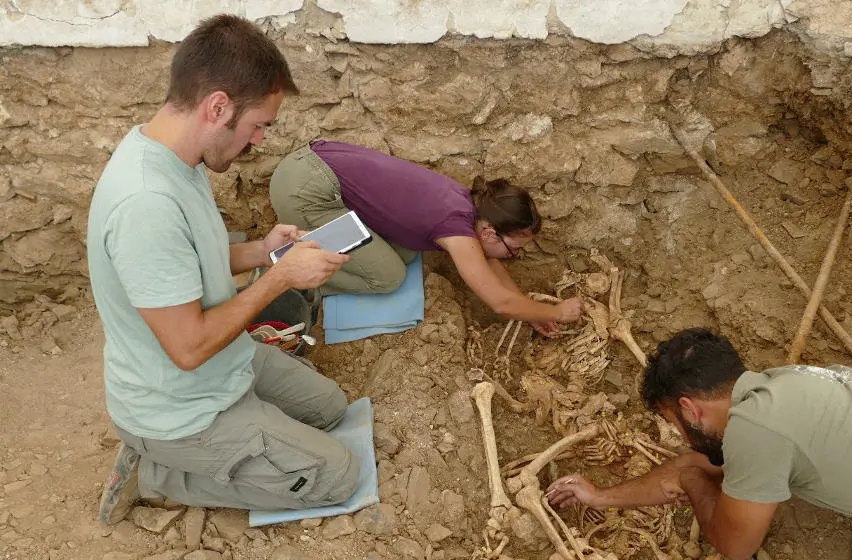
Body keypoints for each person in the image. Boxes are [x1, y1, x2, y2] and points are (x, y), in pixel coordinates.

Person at [88, 14, 362, 526]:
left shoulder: (180, 159)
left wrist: (263, 252)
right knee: (338, 475)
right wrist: (281, 278)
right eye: (259, 125)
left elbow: (187, 262)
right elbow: (189, 347)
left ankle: (248, 437)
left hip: (224, 362)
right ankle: (157, 474)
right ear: (218, 107)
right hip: (177, 408)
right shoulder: (146, 204)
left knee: (329, 407)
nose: (260, 140)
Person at [547, 328, 852, 560]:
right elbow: (696, 464)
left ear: (689, 409)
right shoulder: (781, 387)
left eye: (672, 422)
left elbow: (736, 545)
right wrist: (601, 497)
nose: (678, 435)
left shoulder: (759, 432)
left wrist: (693, 483)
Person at [268, 140, 583, 337]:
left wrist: (531, 313)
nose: (512, 258)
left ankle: (307, 254)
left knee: (404, 253)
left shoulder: (469, 205)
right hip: (307, 189)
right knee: (388, 277)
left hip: (312, 167)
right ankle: (285, 270)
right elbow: (499, 302)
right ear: (489, 232)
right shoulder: (458, 229)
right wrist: (556, 312)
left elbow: (490, 268)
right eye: (513, 251)